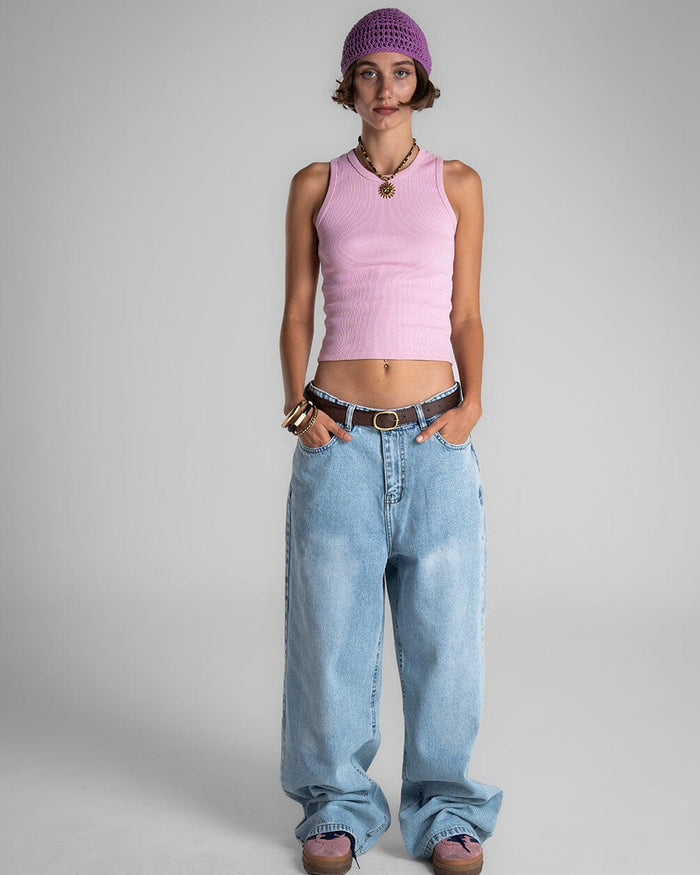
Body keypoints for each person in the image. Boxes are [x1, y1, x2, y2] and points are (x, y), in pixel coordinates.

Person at [279, 8, 503, 875]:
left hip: (435, 435)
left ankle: (446, 810)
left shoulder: (458, 182)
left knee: (446, 637)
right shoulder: (315, 183)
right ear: (349, 84)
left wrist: (473, 405)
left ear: (421, 83)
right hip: (339, 436)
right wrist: (296, 410)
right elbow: (297, 311)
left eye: (400, 72)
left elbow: (466, 312)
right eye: (368, 73)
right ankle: (335, 805)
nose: (384, 88)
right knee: (331, 634)